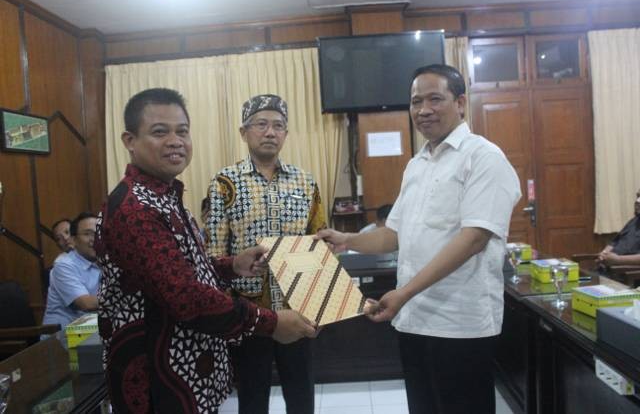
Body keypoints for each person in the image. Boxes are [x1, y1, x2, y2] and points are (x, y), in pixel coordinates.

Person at [95, 88, 317, 414]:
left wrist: (231, 265)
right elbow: (185, 295)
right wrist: (267, 322)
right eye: (160, 131)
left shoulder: (166, 195)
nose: (175, 140)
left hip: (264, 320)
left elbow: (187, 267)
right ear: (130, 140)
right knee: (253, 398)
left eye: (182, 131)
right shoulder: (138, 207)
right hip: (160, 372)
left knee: (302, 395)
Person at [318, 64, 521, 414]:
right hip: (413, 320)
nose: (423, 110)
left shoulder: (484, 157)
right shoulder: (417, 165)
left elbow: (474, 238)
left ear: (460, 103)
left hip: (460, 325)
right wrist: (346, 239)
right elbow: (393, 235)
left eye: (434, 99)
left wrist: (404, 292)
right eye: (415, 102)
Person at [206, 94, 325, 414]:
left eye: (278, 125)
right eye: (261, 124)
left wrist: (321, 306)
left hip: (296, 306)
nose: (270, 132)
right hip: (248, 313)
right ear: (244, 132)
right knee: (252, 398)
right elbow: (214, 252)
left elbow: (319, 244)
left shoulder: (305, 180)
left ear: (286, 133)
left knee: (301, 395)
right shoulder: (224, 182)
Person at [42, 212, 100, 328]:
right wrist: (120, 300)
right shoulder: (63, 265)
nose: (94, 239)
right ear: (74, 240)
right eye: (87, 234)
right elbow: (86, 304)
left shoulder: (103, 259)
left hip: (90, 327)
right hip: (64, 335)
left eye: (98, 233)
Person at [597, 188, 640, 267]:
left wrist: (618, 260)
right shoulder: (634, 220)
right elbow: (614, 242)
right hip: (608, 268)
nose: (637, 201)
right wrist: (604, 253)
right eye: (637, 196)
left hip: (627, 274)